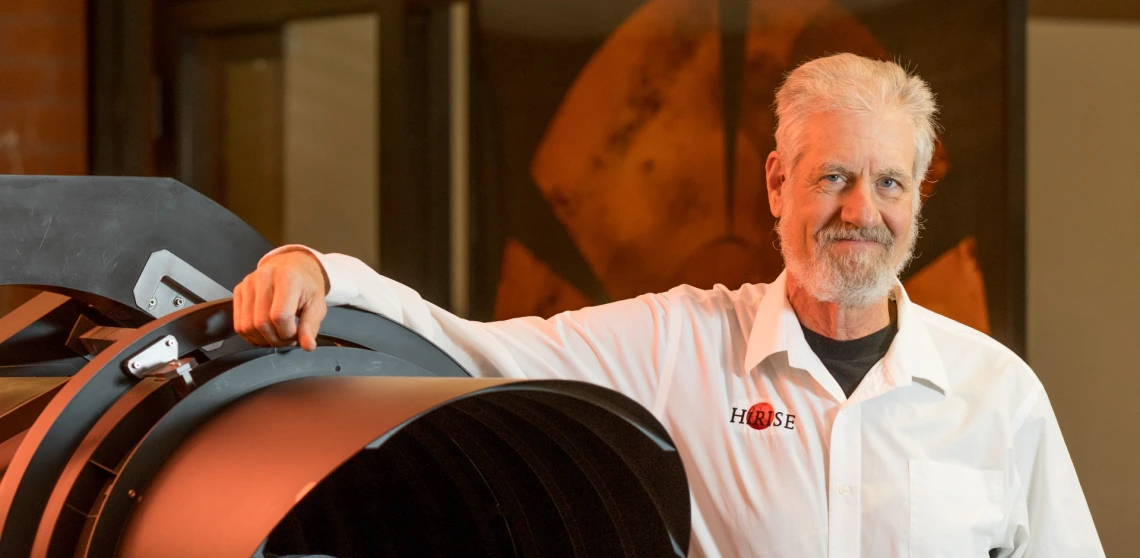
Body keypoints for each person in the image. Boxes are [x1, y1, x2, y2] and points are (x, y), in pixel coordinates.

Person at [233, 53, 1103, 557]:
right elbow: (477, 351)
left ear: (917, 198)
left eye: (888, 183)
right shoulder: (676, 343)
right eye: (833, 177)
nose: (859, 213)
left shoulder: (1000, 396)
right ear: (777, 184)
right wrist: (323, 271)